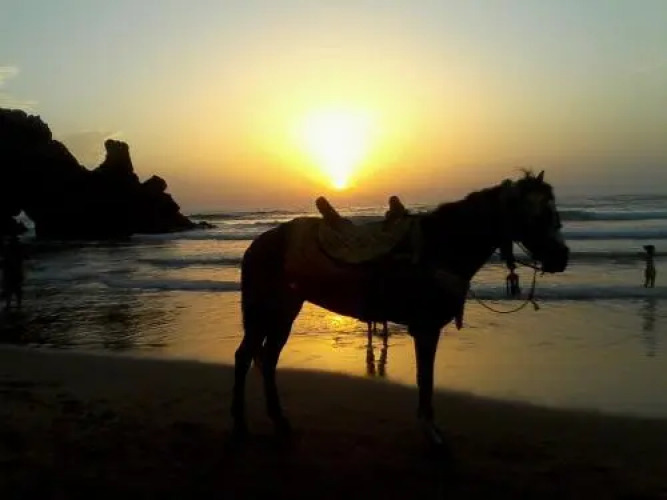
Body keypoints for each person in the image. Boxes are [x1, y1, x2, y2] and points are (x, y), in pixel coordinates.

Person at [1, 234, 25, 310]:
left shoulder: (8, 248)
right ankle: (17, 304)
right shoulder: (18, 248)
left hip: (10, 271)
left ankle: (11, 305)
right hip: (13, 271)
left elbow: (7, 259)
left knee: (11, 289)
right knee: (16, 289)